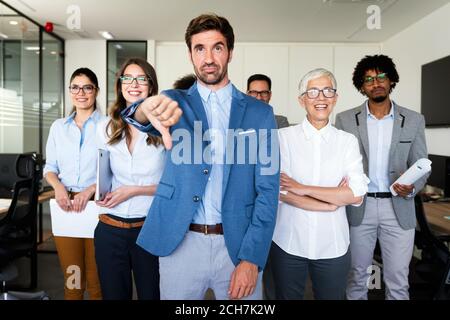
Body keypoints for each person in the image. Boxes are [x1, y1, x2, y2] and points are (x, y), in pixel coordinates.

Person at [122, 13, 280, 300]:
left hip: (238, 246)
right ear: (190, 54)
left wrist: (252, 258)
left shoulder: (260, 114)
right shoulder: (172, 101)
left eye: (217, 47)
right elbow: (138, 116)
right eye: (200, 49)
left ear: (230, 52)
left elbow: (268, 191)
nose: (209, 58)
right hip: (180, 241)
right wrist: (146, 107)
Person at [335, 54, 429, 300]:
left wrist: (413, 186)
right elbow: (337, 164)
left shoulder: (414, 120)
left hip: (398, 207)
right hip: (359, 207)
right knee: (357, 276)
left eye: (381, 77)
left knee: (398, 280)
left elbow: (422, 164)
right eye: (368, 79)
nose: (375, 83)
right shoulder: (345, 120)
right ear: (361, 86)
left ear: (391, 80)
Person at [270, 68, 369, 300]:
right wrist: (330, 201)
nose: (321, 98)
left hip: (333, 245)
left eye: (328, 91)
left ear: (335, 98)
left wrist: (302, 188)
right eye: (313, 92)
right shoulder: (282, 138)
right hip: (288, 242)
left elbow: (356, 194)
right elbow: (279, 190)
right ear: (302, 100)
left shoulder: (347, 141)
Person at [94, 58, 165, 300]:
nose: (134, 84)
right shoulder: (105, 127)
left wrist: (133, 190)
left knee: (151, 295)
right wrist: (97, 191)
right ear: (120, 84)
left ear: (151, 86)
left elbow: (175, 186)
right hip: (109, 229)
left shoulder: (165, 129)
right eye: (128, 78)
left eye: (141, 78)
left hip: (150, 230)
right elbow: (103, 174)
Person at [44, 67, 104, 300]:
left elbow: (114, 170)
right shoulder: (59, 127)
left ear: (95, 91)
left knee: (97, 282)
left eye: (87, 87)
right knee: (73, 280)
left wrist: (90, 190)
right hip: (66, 210)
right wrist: (58, 187)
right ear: (70, 92)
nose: (81, 92)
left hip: (97, 208)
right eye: (75, 87)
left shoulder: (108, 125)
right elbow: (50, 168)